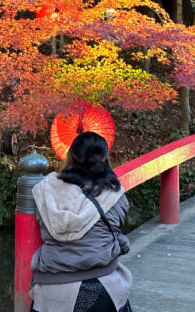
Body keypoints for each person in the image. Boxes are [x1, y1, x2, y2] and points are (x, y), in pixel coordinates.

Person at [30, 131, 133, 312]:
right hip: (102, 287)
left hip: (54, 290)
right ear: (104, 158)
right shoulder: (114, 195)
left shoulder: (47, 189)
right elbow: (116, 229)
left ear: (71, 156)